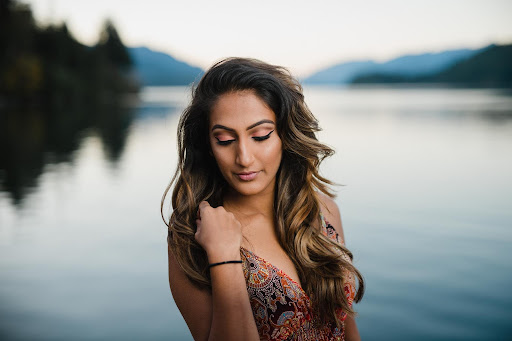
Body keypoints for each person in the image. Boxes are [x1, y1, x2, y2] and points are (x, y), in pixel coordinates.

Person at [162, 57, 364, 341]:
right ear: (207, 145)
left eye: (260, 135)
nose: (244, 158)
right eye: (224, 140)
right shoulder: (190, 235)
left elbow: (345, 325)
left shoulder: (322, 209)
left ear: (285, 135)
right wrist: (223, 257)